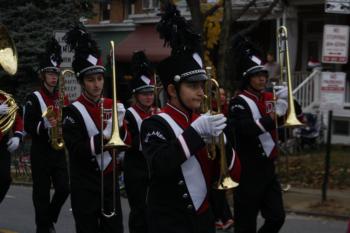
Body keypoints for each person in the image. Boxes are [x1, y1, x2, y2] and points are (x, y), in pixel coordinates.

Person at [140, 4, 240, 233]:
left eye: (202, 86)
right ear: (173, 91)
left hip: (203, 220)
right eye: (193, 86)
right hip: (169, 223)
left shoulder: (205, 120)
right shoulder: (154, 123)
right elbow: (161, 164)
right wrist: (196, 132)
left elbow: (234, 175)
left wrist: (225, 145)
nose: (201, 92)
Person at [62, 24, 128, 233]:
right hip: (85, 184)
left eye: (99, 79)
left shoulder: (111, 104)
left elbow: (124, 142)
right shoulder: (72, 111)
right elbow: (76, 150)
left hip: (109, 183)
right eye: (91, 80)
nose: (97, 84)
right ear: (82, 82)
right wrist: (104, 136)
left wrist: (122, 126)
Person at [228, 36, 288, 233]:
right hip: (248, 171)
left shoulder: (268, 98)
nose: (262, 78)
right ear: (248, 78)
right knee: (245, 225)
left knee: (277, 217)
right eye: (257, 75)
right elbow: (247, 129)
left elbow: (281, 126)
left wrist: (287, 105)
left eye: (263, 74)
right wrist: (274, 116)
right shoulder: (238, 102)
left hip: (268, 169)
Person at [24, 38, 70, 233]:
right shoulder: (33, 98)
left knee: (63, 188)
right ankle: (43, 228)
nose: (53, 76)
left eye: (55, 73)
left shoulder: (61, 98)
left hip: (58, 151)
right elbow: (28, 126)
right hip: (41, 151)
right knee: (41, 192)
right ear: (43, 75)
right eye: (50, 73)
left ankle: (48, 218)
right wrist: (43, 125)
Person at [123, 51, 157, 233]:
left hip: (154, 167)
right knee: (139, 211)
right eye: (144, 94)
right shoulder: (129, 114)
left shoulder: (157, 112)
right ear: (136, 95)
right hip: (136, 168)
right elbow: (129, 142)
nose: (148, 97)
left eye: (150, 93)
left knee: (154, 210)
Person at [0, 93, 24, 204]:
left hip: (2, 144)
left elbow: (17, 118)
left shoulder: (4, 97)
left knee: (5, 179)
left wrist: (17, 136)